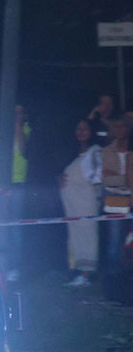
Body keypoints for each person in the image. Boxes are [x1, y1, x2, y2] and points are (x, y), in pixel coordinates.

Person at [0, 104, 32, 282]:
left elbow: (23, 150)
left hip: (18, 185)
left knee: (15, 228)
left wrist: (17, 126)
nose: (16, 115)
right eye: (14, 112)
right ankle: (1, 267)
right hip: (1, 186)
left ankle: (14, 267)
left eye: (20, 112)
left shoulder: (27, 131)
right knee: (1, 228)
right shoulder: (0, 134)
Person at [59, 119, 102, 288]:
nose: (81, 132)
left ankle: (86, 274)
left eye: (85, 128)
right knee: (75, 236)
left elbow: (97, 179)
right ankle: (76, 271)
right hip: (71, 203)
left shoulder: (95, 151)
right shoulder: (71, 152)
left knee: (88, 236)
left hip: (87, 202)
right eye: (78, 128)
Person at [100, 115, 133, 298]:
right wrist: (127, 178)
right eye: (117, 126)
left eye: (123, 126)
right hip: (115, 201)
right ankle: (113, 286)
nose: (120, 130)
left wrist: (119, 177)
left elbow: (114, 177)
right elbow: (106, 179)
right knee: (114, 242)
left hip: (130, 199)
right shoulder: (107, 151)